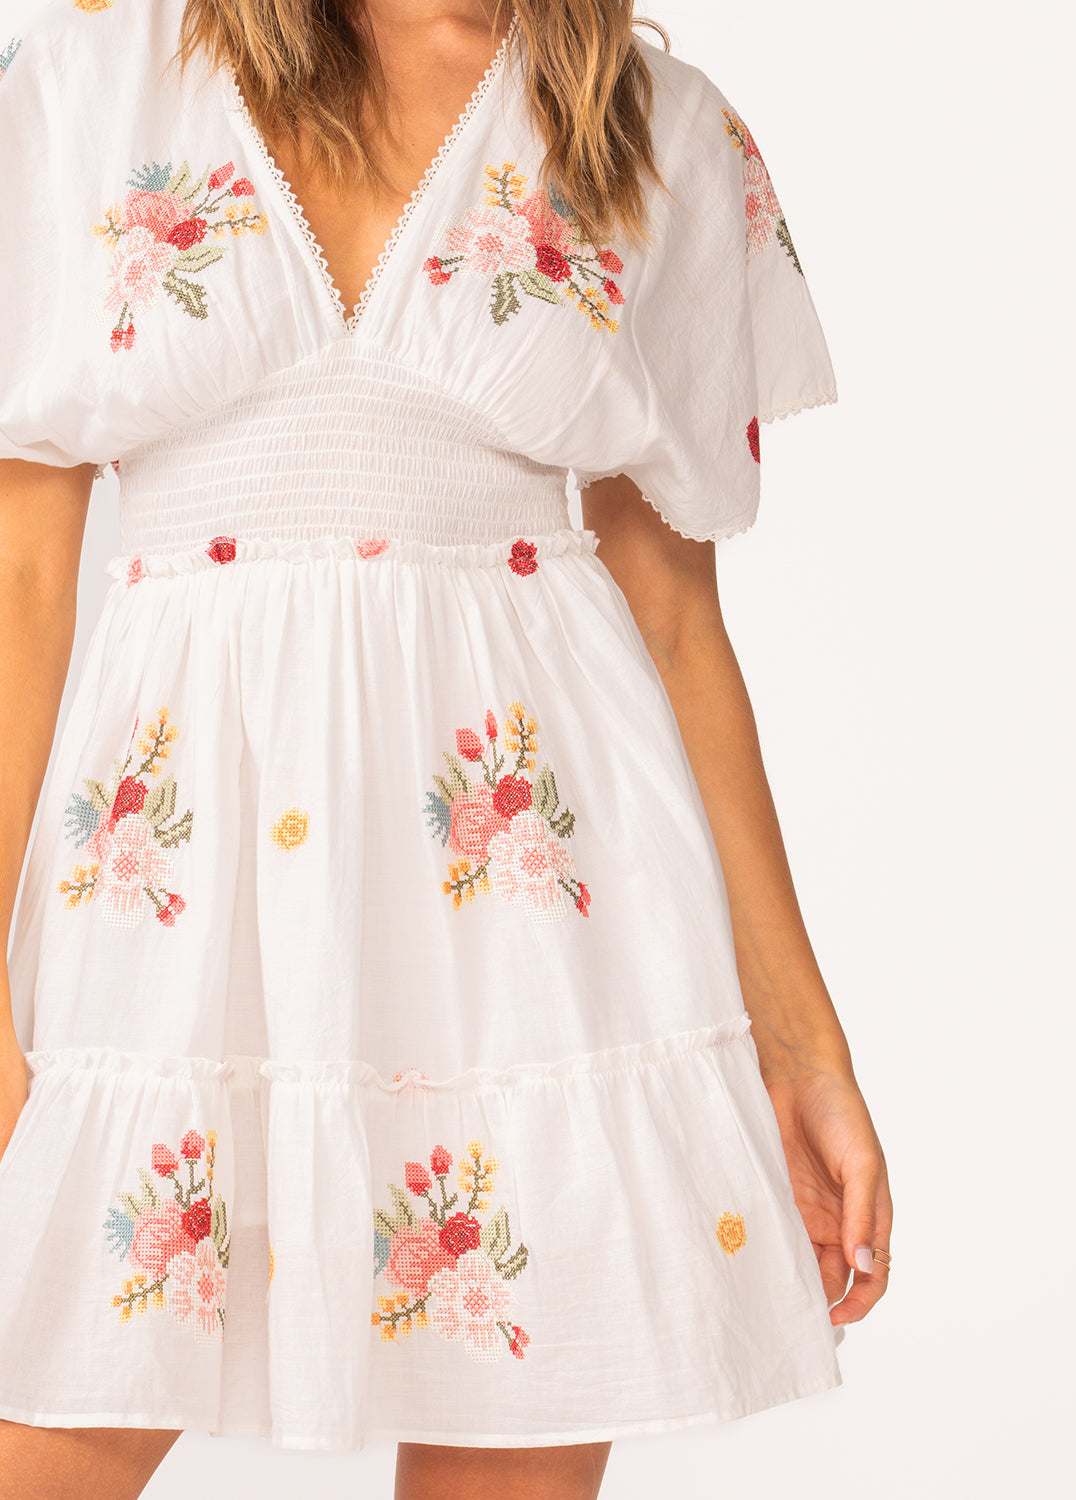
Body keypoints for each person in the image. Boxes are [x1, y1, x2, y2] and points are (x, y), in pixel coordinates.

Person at [0, 0, 893, 1495]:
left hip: (525, 878)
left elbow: (675, 619)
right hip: (182, 875)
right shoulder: (96, 80)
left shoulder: (654, 131)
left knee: (522, 1416)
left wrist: (803, 1045)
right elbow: (20, 580)